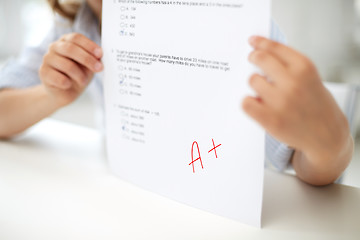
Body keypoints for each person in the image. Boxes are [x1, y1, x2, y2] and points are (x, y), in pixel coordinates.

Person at [0, 0, 353, 186]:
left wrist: (332, 145)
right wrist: (50, 94)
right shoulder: (75, 22)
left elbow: (299, 159)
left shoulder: (220, 17)